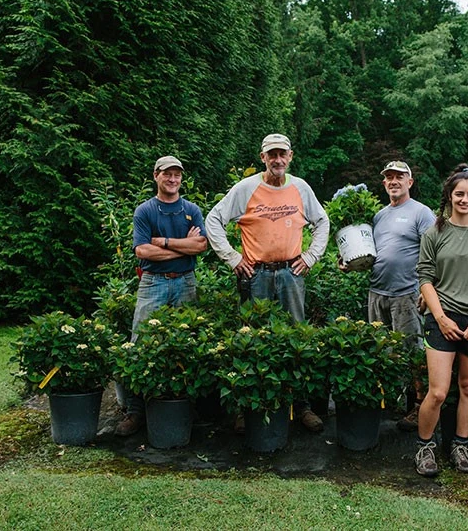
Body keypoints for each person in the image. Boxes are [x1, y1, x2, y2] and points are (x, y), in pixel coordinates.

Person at [206, 133, 330, 432]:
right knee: (251, 339)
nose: (277, 160)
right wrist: (234, 258)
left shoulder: (300, 188)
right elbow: (213, 220)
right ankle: (247, 407)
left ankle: (300, 407)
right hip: (255, 275)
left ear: (290, 156)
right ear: (263, 157)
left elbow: (322, 221)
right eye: (271, 155)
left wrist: (311, 256)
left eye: (282, 154)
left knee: (297, 339)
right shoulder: (246, 188)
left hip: (291, 274)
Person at [413, 164, 468, 476]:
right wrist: (440, 318)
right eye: (459, 194)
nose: (465, 199)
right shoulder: (434, 233)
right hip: (442, 318)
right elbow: (425, 278)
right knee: (437, 392)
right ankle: (425, 447)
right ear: (449, 196)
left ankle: (460, 446)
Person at [115, 155, 209, 436]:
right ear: (156, 175)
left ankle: (187, 407)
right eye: (167, 174)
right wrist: (184, 246)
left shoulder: (191, 209)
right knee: (140, 342)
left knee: (188, 340)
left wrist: (165, 242)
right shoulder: (145, 211)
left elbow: (202, 245)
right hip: (153, 282)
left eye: (177, 174)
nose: (172, 179)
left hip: (185, 282)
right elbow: (142, 251)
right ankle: (135, 412)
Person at [339, 161, 436, 431]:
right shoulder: (380, 216)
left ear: (410, 182)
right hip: (377, 292)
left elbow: (433, 253)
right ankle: (389, 400)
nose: (394, 181)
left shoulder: (421, 213)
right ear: (383, 183)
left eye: (399, 177)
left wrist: (430, 290)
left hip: (406, 294)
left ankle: (419, 406)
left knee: (413, 351)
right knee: (382, 351)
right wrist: (348, 262)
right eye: (389, 177)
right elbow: (369, 252)